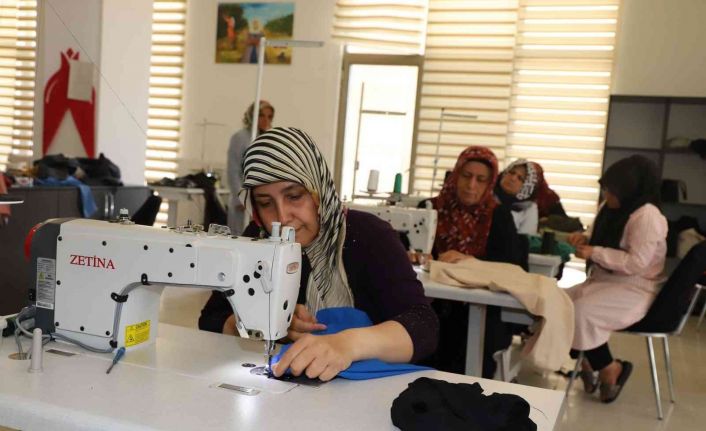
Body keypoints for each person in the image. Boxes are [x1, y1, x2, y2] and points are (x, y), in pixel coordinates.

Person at [201, 127, 439, 381]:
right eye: (265, 203)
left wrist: (347, 344)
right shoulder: (257, 239)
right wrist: (257, 322)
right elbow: (211, 318)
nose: (281, 217)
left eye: (294, 196)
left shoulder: (370, 236)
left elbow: (423, 326)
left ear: (318, 191)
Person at [420, 146, 528, 378]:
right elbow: (407, 252)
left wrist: (470, 261)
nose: (471, 185)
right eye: (466, 176)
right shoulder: (429, 209)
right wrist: (415, 256)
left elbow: (513, 269)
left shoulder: (499, 217)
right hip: (432, 306)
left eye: (480, 180)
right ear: (456, 174)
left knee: (470, 351)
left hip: (480, 311)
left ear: (490, 183)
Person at [566, 154, 667, 403]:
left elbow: (636, 263)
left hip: (635, 288)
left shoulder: (647, 216)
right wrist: (584, 238)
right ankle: (590, 362)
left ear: (629, 190)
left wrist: (595, 252)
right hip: (604, 280)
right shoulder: (614, 207)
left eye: (612, 191)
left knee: (581, 312)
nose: (607, 196)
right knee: (558, 304)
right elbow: (600, 236)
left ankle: (608, 368)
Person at [226, 100, 274, 234]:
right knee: (240, 236)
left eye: (269, 116)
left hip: (262, 201)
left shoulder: (269, 139)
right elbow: (233, 171)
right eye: (261, 115)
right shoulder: (240, 138)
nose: (265, 120)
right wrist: (241, 199)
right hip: (242, 200)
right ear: (252, 116)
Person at [495, 159, 540, 235]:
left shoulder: (528, 207)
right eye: (512, 172)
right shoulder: (487, 194)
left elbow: (525, 237)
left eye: (520, 178)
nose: (513, 178)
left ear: (526, 187)